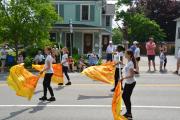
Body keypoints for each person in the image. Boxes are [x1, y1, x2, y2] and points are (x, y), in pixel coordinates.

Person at [120, 50, 136, 119]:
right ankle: (128, 112)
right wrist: (122, 64)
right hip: (128, 82)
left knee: (126, 97)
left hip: (131, 83)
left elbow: (132, 75)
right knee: (124, 96)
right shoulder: (128, 62)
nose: (124, 54)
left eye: (125, 53)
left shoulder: (131, 63)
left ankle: (129, 113)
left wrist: (123, 78)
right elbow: (126, 68)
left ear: (129, 55)